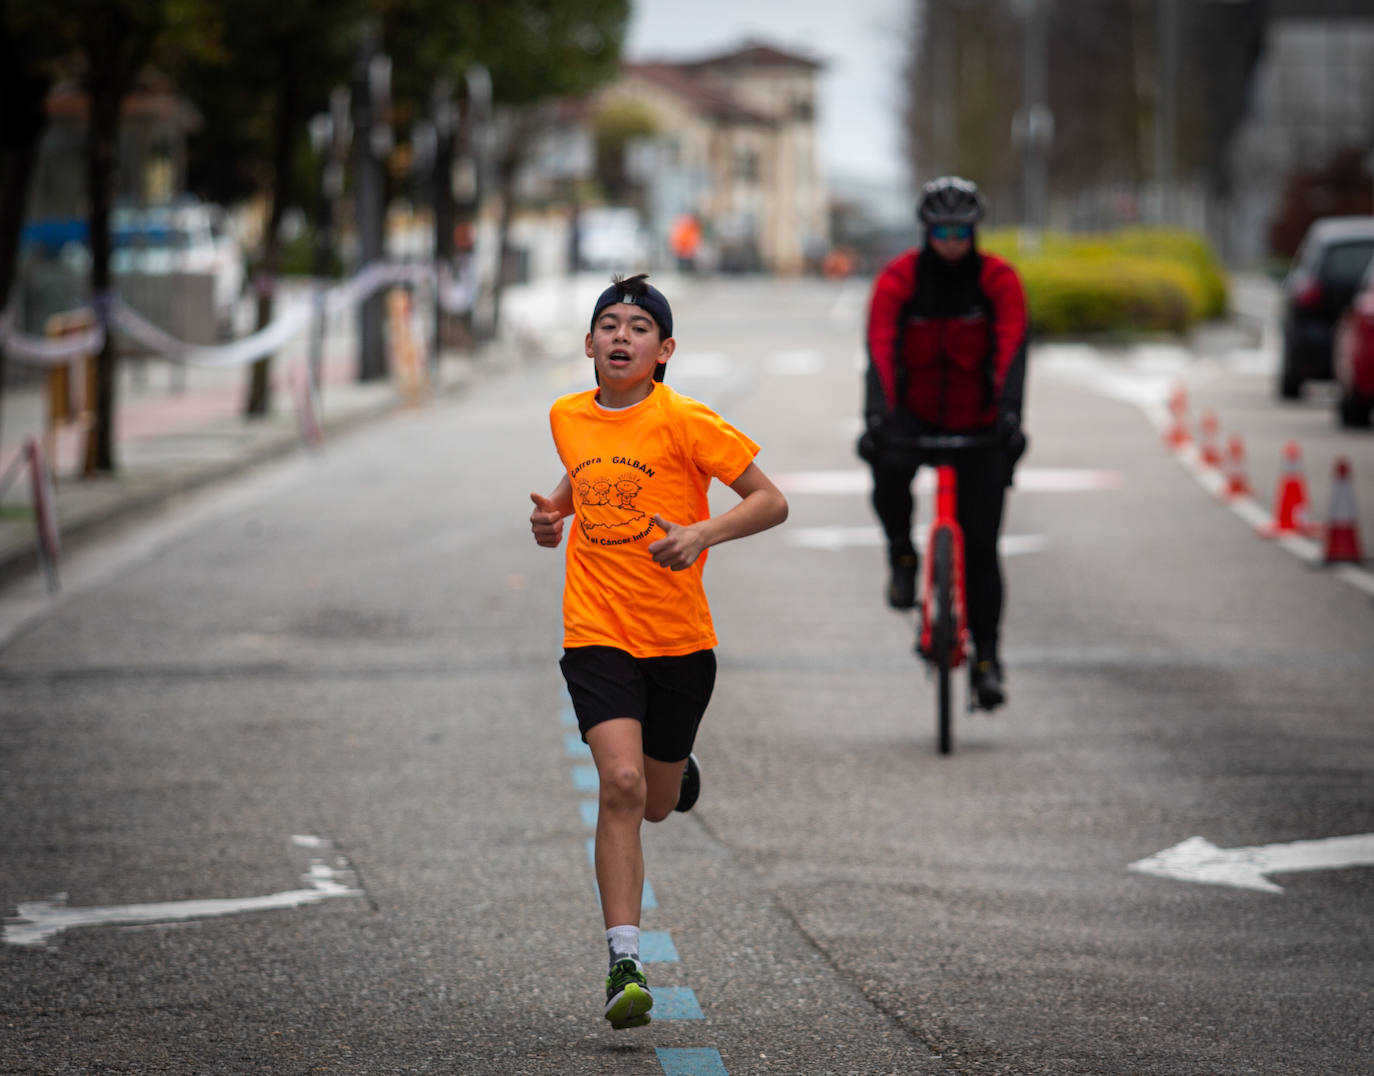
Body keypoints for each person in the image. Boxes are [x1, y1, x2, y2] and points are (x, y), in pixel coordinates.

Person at [529, 273, 788, 1030]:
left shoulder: (687, 421)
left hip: (678, 641)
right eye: (607, 324)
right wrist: (554, 517)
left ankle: (676, 772)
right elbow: (584, 478)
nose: (620, 336)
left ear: (665, 349)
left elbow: (770, 500)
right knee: (620, 787)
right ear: (587, 344)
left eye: (638, 327)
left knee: (660, 802)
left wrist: (702, 534)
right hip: (597, 632)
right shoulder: (566, 415)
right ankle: (624, 962)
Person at [857, 176, 1028, 711]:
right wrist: (878, 416)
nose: (951, 240)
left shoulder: (997, 279)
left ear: (974, 231)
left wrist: (1008, 416)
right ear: (925, 231)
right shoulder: (899, 279)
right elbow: (879, 347)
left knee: (980, 548)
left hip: (978, 423)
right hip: (913, 415)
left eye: (961, 230)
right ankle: (903, 557)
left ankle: (987, 661)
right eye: (940, 230)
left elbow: (1013, 349)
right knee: (884, 470)